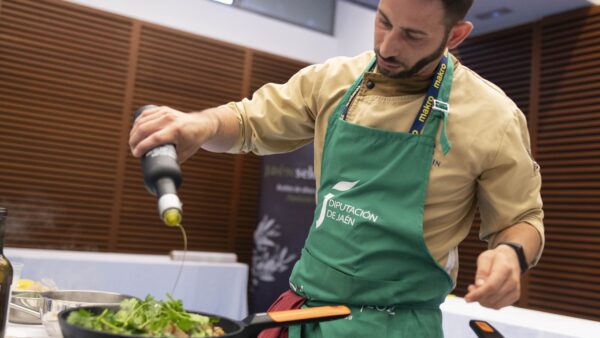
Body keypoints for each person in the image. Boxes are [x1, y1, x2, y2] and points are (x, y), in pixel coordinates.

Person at [129, 0, 544, 336]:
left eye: (413, 35)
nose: (388, 46)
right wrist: (201, 125)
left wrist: (510, 254)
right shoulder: (334, 81)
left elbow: (522, 218)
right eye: (383, 21)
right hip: (304, 314)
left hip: (395, 326)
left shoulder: (493, 118)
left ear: (455, 35)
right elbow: (248, 120)